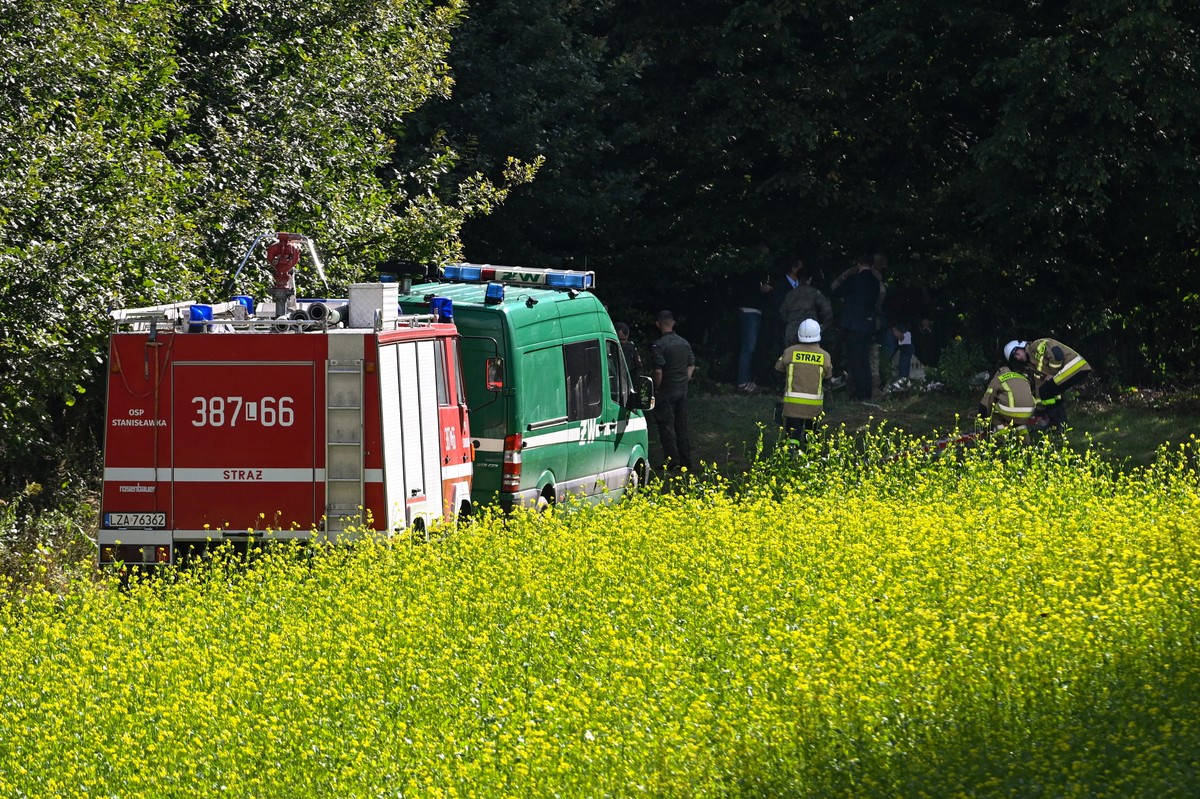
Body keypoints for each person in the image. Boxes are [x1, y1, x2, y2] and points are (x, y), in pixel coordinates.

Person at [1004, 338, 1093, 427]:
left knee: (1048, 390)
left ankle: (1058, 424)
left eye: (1017, 353)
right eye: (1015, 358)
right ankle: (1059, 424)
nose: (1018, 357)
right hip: (1070, 370)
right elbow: (1039, 385)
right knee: (1047, 391)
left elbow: (1057, 355)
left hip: (1076, 366)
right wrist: (1039, 411)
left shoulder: (1036, 346)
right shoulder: (1032, 364)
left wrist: (1052, 373)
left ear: (1021, 346)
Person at [775, 318, 833, 452]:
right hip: (814, 407)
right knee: (812, 435)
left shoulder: (789, 352)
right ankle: (811, 457)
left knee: (792, 436)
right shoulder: (824, 356)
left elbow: (778, 370)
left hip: (792, 405)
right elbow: (828, 377)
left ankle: (790, 455)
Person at [650, 310, 696, 471]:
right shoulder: (684, 342)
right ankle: (686, 460)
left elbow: (658, 370)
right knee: (681, 425)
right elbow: (691, 364)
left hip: (666, 390)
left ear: (658, 324)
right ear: (673, 322)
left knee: (666, 426)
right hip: (682, 389)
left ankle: (672, 460)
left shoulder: (658, 345)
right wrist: (686, 379)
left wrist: (657, 387)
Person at [831, 255, 881, 401]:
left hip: (853, 325)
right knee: (864, 360)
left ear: (858, 264)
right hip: (868, 324)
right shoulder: (875, 282)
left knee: (855, 361)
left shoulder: (853, 280)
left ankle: (860, 394)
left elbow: (836, 291)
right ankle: (867, 392)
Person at [733, 243, 774, 393]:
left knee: (749, 347)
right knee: (748, 347)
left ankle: (746, 380)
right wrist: (763, 289)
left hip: (752, 310)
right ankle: (743, 382)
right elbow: (752, 289)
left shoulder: (746, 268)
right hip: (750, 310)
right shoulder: (751, 270)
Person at [977, 364, 1037, 442]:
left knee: (994, 411)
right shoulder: (1021, 377)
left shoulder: (997, 379)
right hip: (1029, 411)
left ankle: (1002, 440)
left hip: (1011, 411)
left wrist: (983, 422)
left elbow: (985, 403)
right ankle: (1026, 441)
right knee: (1019, 421)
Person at [778, 266, 833, 349]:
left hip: (791, 332)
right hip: (810, 334)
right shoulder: (814, 293)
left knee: (791, 358)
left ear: (798, 278)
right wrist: (823, 327)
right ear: (810, 279)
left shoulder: (790, 294)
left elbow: (782, 313)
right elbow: (827, 310)